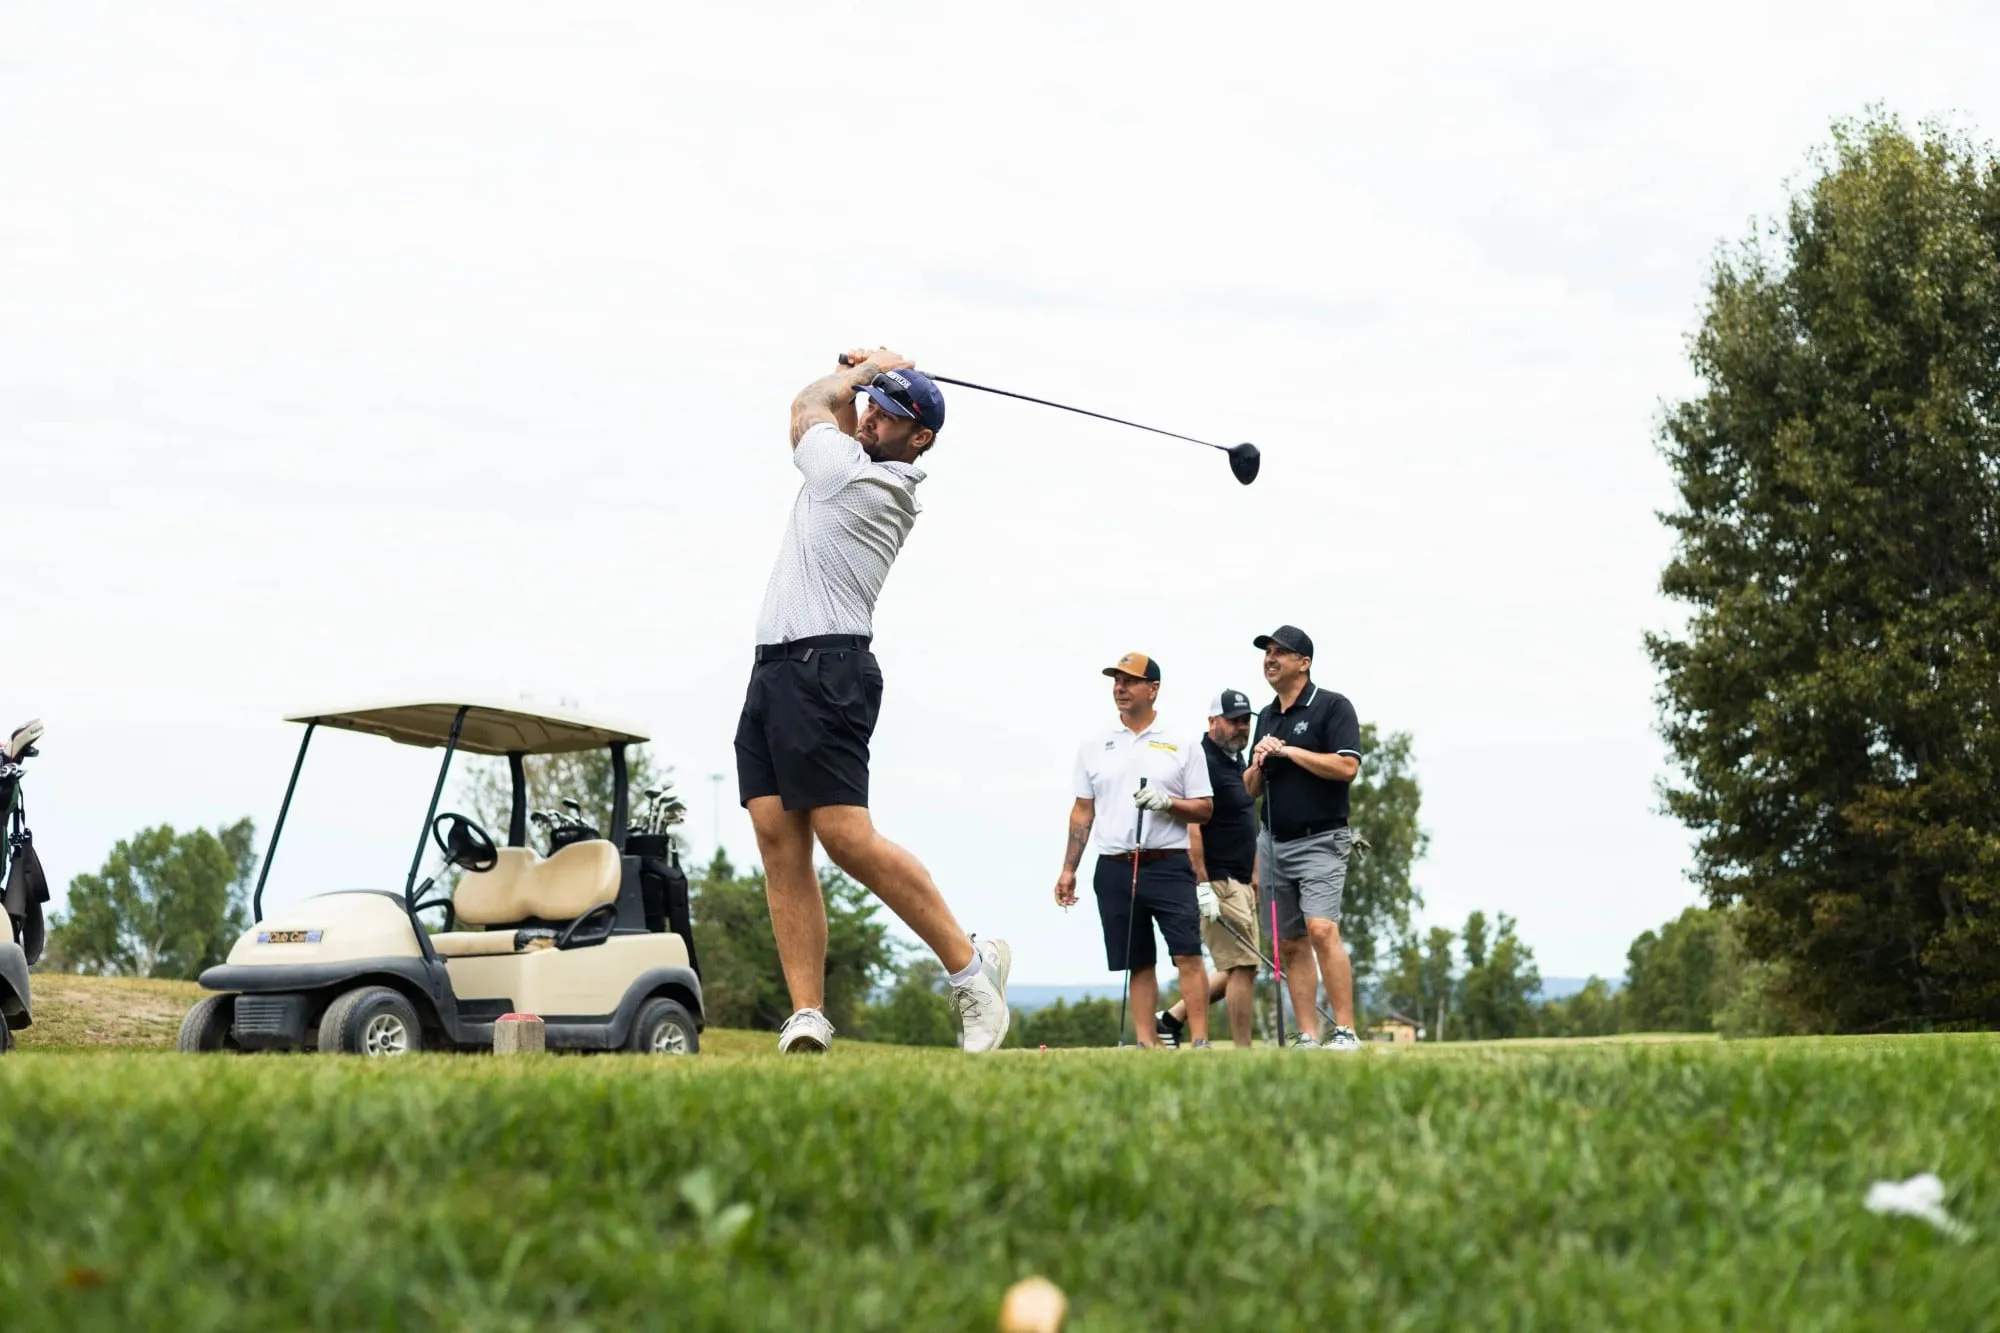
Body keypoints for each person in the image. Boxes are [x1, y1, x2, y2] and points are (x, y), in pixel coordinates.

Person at [736, 347, 1010, 1054]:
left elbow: (806, 409)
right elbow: (830, 416)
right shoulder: (853, 459)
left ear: (920, 438)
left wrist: (857, 376)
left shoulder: (862, 481)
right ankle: (807, 1013)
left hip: (828, 669)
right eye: (871, 409)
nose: (870, 420)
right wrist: (863, 374)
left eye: (887, 416)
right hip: (776, 670)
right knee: (776, 834)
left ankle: (970, 969)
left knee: (845, 836)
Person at [1055, 653, 1214, 1048]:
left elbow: (1205, 809)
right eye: (1116, 680)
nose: (1120, 688)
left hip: (1168, 862)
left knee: (1187, 954)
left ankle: (1200, 1041)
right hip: (1114, 866)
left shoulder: (1181, 742)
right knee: (1137, 959)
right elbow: (1083, 810)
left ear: (1153, 689)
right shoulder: (1094, 744)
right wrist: (1068, 868)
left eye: (1130, 681)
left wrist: (1168, 803)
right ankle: (1147, 1044)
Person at [1243, 625, 1364, 1051]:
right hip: (1273, 842)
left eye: (1280, 652)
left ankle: (1345, 1031)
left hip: (1322, 839)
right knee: (1291, 942)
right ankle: (1308, 1035)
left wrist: (1289, 752)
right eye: (1267, 652)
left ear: (1304, 663)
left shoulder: (1332, 706)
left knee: (1321, 929)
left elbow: (1347, 767)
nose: (1270, 659)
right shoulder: (1266, 716)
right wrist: (1259, 761)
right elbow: (1249, 790)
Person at [1156, 689, 1261, 1048]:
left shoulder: (1237, 761)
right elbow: (1192, 825)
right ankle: (1243, 1050)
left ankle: (1170, 1019)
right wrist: (1202, 883)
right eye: (1233, 721)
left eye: (1245, 721)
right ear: (1212, 721)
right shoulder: (1202, 760)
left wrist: (1254, 876)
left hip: (1240, 881)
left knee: (1241, 965)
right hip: (1217, 879)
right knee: (1243, 966)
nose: (1241, 727)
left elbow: (1246, 821)